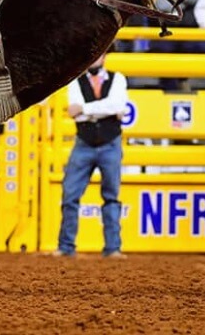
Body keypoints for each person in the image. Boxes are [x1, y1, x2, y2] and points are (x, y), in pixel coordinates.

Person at [53, 49, 128, 258]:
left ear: (104, 57)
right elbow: (113, 107)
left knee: (111, 196)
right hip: (90, 142)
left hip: (105, 142)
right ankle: (67, 246)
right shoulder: (79, 82)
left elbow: (114, 105)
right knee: (71, 195)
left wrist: (84, 109)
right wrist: (108, 110)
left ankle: (112, 247)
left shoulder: (117, 78)